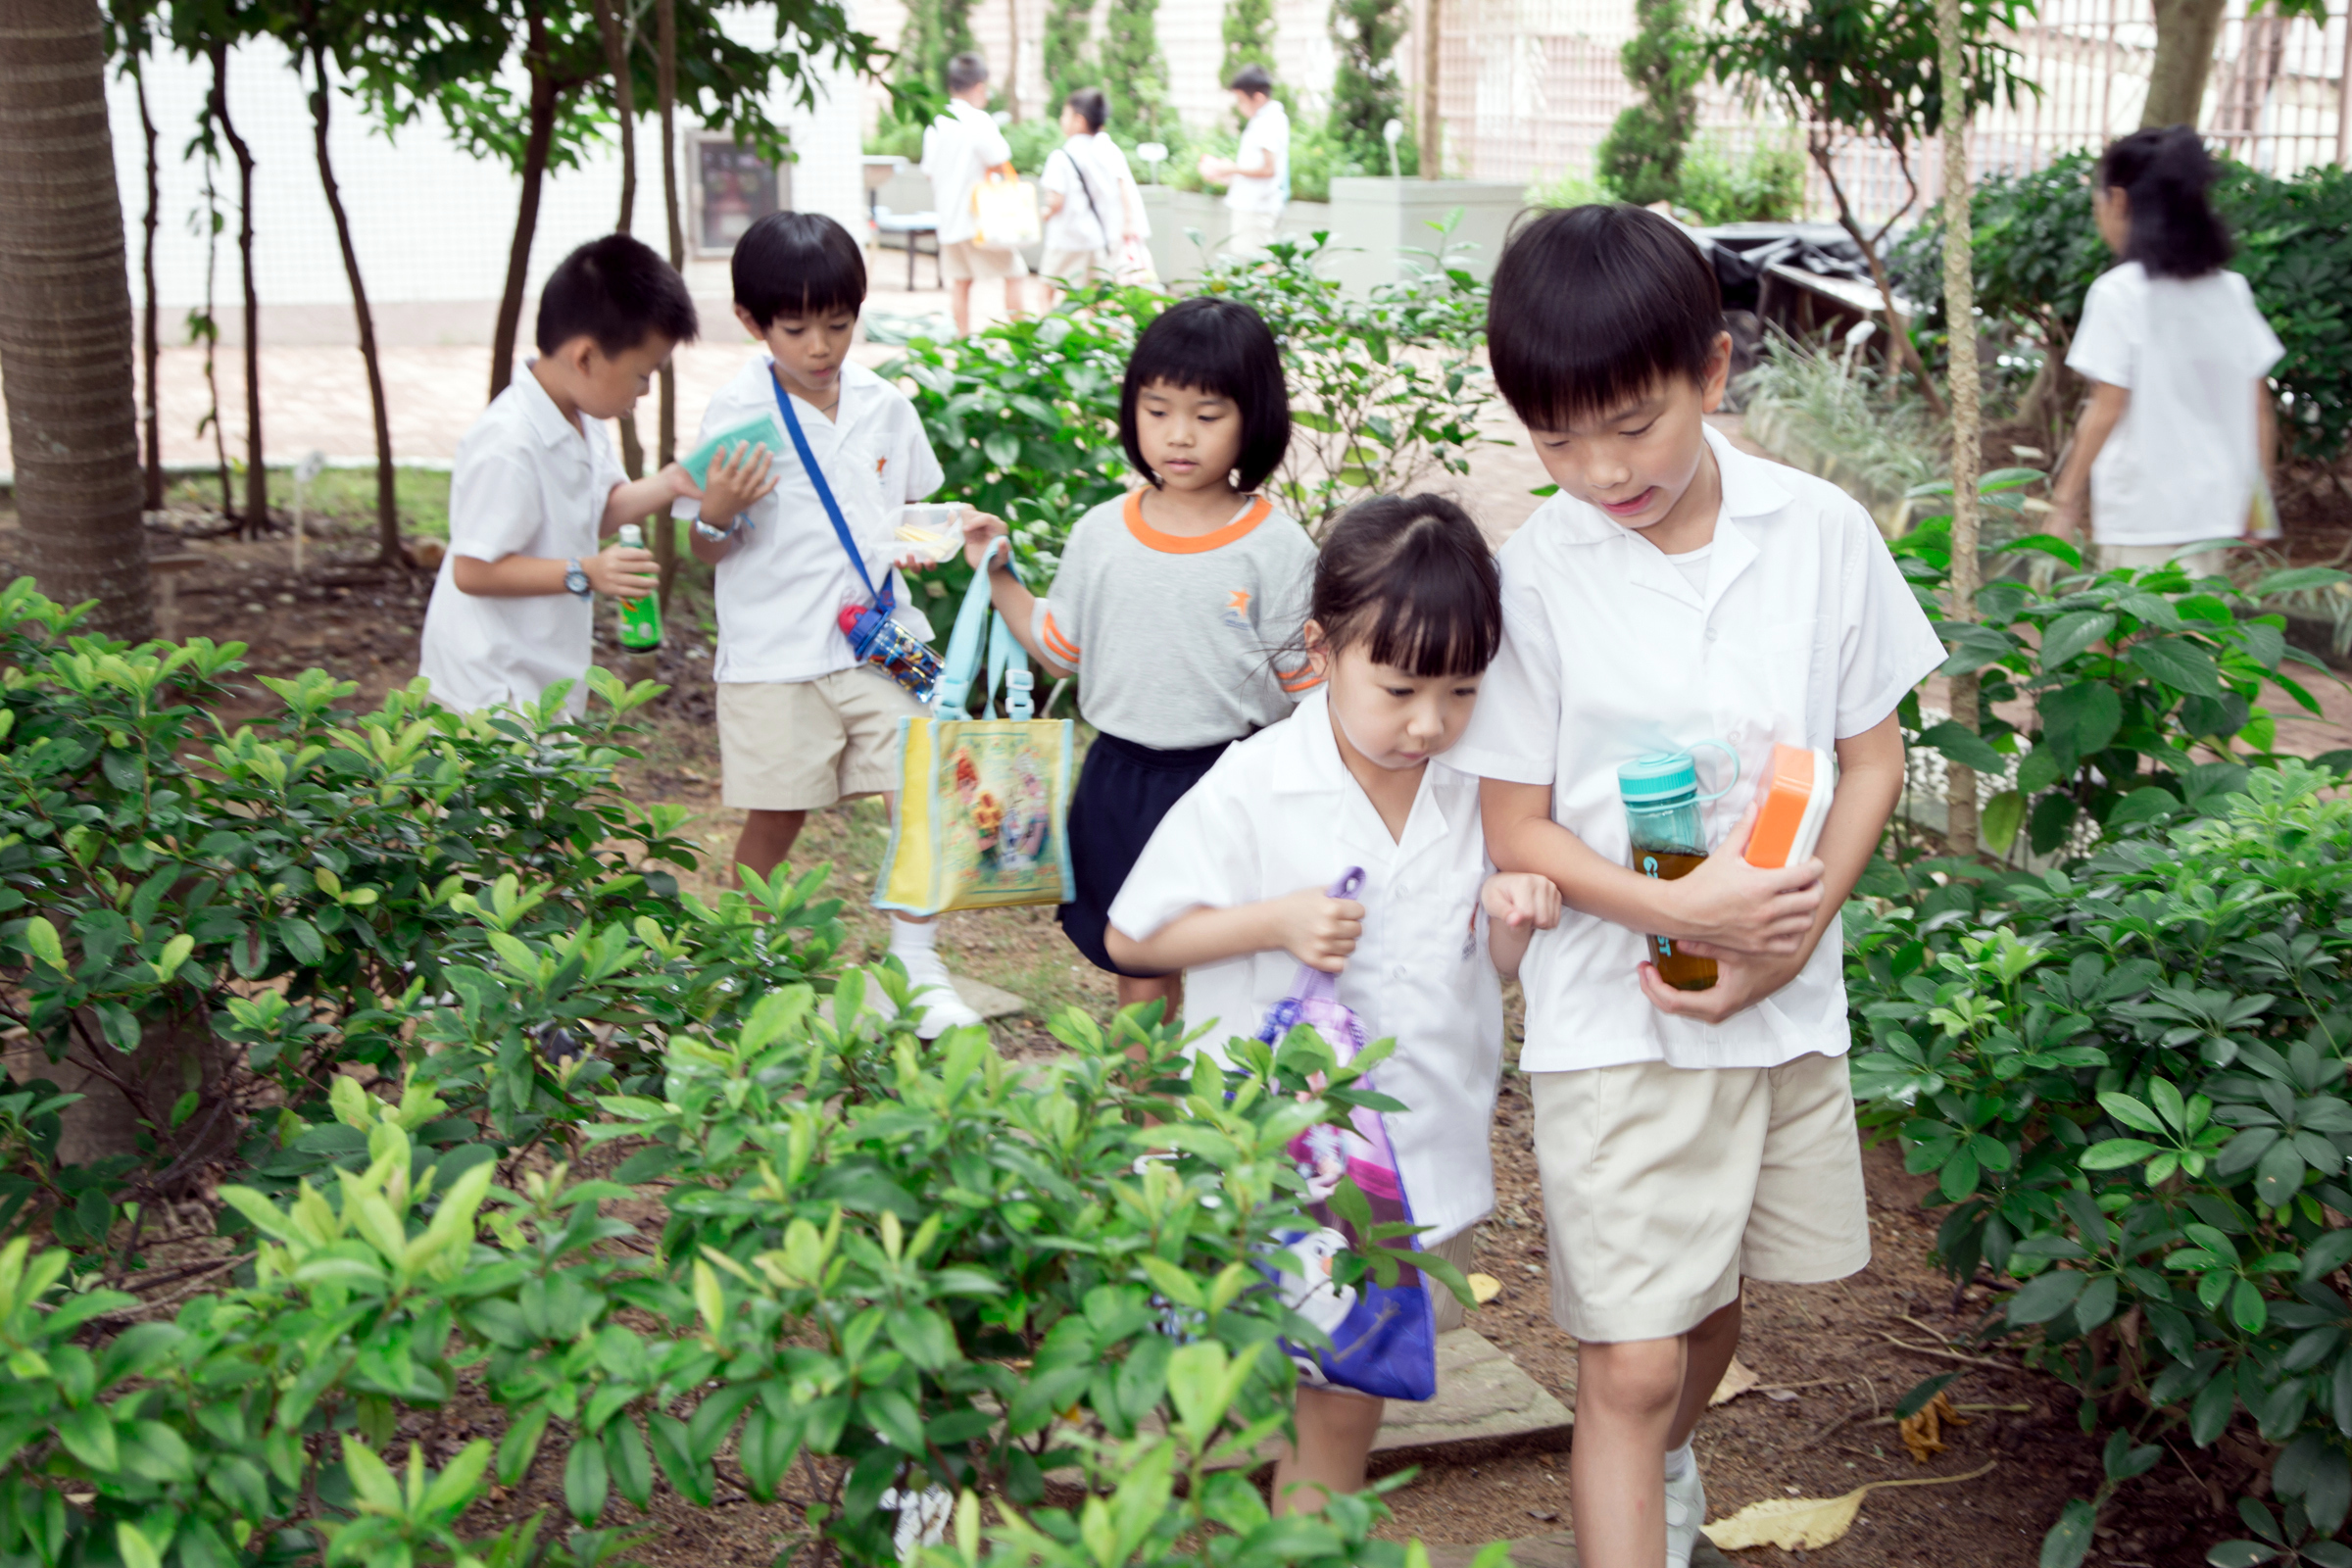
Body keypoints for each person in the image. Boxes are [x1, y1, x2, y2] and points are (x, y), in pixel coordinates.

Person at [1450, 205, 1944, 1568]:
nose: (1600, 468)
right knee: (1625, 1357)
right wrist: (1685, 914)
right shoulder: (1534, 579)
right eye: (1557, 439)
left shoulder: (1823, 532)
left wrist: (1782, 945)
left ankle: (1667, 1461)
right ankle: (1640, 1472)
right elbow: (1518, 832)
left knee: (1713, 1303)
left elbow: (1869, 761)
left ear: (1713, 374)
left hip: (1781, 1005)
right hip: (1615, 1020)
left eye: (1631, 424)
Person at [1102, 495, 1562, 1514]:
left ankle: (1291, 1520)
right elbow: (1135, 936)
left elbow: (1476, 968)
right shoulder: (1254, 785)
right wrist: (1270, 922)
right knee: (1287, 1393)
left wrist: (1511, 914)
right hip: (1271, 1156)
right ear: (1322, 649)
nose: (1430, 721)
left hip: (1419, 1152)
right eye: (1398, 687)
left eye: (1462, 689)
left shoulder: (1479, 788)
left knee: (1338, 1393)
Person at [959, 296, 1315, 1024]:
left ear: (1254, 417)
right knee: (1139, 967)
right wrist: (999, 576)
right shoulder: (1101, 534)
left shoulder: (1277, 548)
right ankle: (1152, 1129)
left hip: (1233, 783)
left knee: (1236, 967)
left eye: (1207, 415)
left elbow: (1310, 689)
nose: (1178, 436)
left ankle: (1227, 1126)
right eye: (1157, 410)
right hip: (1119, 782)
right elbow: (1061, 652)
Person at [676, 210, 982, 1038]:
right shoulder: (738, 412)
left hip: (880, 644)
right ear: (750, 322)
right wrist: (718, 512)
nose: (820, 346)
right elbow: (707, 547)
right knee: (777, 817)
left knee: (916, 799)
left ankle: (917, 970)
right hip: (776, 657)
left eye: (839, 324)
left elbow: (899, 508)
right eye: (797, 327)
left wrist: (946, 531)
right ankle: (741, 965)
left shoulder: (885, 406)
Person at [419, 234, 702, 717]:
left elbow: (599, 512)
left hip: (542, 676)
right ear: (586, 358)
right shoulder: (509, 443)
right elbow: (473, 569)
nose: (647, 389)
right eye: (643, 373)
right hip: (489, 690)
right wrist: (586, 572)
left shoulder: (582, 416)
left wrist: (674, 482)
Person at [2048, 125, 2283, 572]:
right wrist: (2257, 505)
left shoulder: (2119, 293)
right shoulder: (2231, 291)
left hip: (2143, 512)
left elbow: (2107, 406)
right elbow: (2258, 405)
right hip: (2216, 512)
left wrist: (2065, 503)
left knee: (2132, 638)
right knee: (2195, 638)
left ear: (2118, 201)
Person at [920, 50, 1032, 336]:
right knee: (1015, 275)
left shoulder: (937, 122)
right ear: (980, 86)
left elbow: (929, 171)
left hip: (948, 218)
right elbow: (999, 160)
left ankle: (963, 343)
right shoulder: (979, 121)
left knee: (961, 282)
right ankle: (1021, 343)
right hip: (981, 220)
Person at [1038, 87, 1129, 297]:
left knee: (1046, 292)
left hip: (1066, 238)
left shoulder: (1061, 156)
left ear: (1078, 121)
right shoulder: (1108, 153)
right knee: (1094, 298)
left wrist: (1046, 213)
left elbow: (1056, 201)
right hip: (1097, 238)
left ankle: (1047, 328)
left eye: (1064, 114)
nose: (1062, 119)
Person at [1198, 65, 1290, 261]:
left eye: (1241, 100)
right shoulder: (1268, 119)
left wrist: (1231, 168)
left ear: (1258, 98)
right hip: (1255, 205)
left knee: (1259, 264)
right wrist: (1230, 172)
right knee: (1255, 262)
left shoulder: (1267, 122)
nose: (1239, 106)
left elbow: (1268, 169)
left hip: (1257, 207)